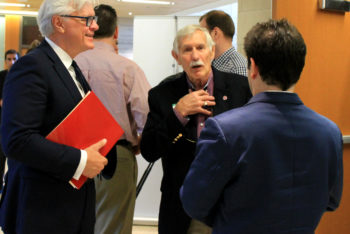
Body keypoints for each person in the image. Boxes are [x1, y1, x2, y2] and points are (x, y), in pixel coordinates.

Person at [180, 19, 343, 234]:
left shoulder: (224, 130)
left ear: (253, 67)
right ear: (300, 68)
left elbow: (194, 202)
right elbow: (331, 200)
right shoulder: (329, 132)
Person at [0, 0, 109, 233]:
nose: (95, 27)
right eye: (87, 20)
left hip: (70, 206)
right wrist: (80, 161)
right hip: (42, 210)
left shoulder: (69, 66)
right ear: (59, 23)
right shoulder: (32, 66)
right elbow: (17, 140)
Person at [140, 24, 252, 234]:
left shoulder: (241, 88)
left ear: (212, 52)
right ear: (176, 56)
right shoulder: (162, 94)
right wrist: (178, 114)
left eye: (200, 48)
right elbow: (149, 150)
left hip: (230, 203)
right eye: (187, 50)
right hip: (182, 206)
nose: (195, 56)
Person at [75, 4, 150, 234]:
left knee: (74, 221)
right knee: (113, 226)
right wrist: (139, 139)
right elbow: (146, 115)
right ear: (116, 32)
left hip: (70, 156)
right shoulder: (128, 69)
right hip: (116, 155)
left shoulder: (70, 64)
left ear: (88, 27)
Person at [200, 10, 247, 76]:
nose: (199, 39)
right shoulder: (211, 64)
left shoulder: (236, 68)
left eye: (202, 33)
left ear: (215, 33)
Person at [0, 49, 20, 192]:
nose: (12, 62)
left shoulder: (22, 76)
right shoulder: (0, 76)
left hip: (16, 120)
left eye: (14, 59)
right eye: (9, 59)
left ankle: (12, 183)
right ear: (5, 61)